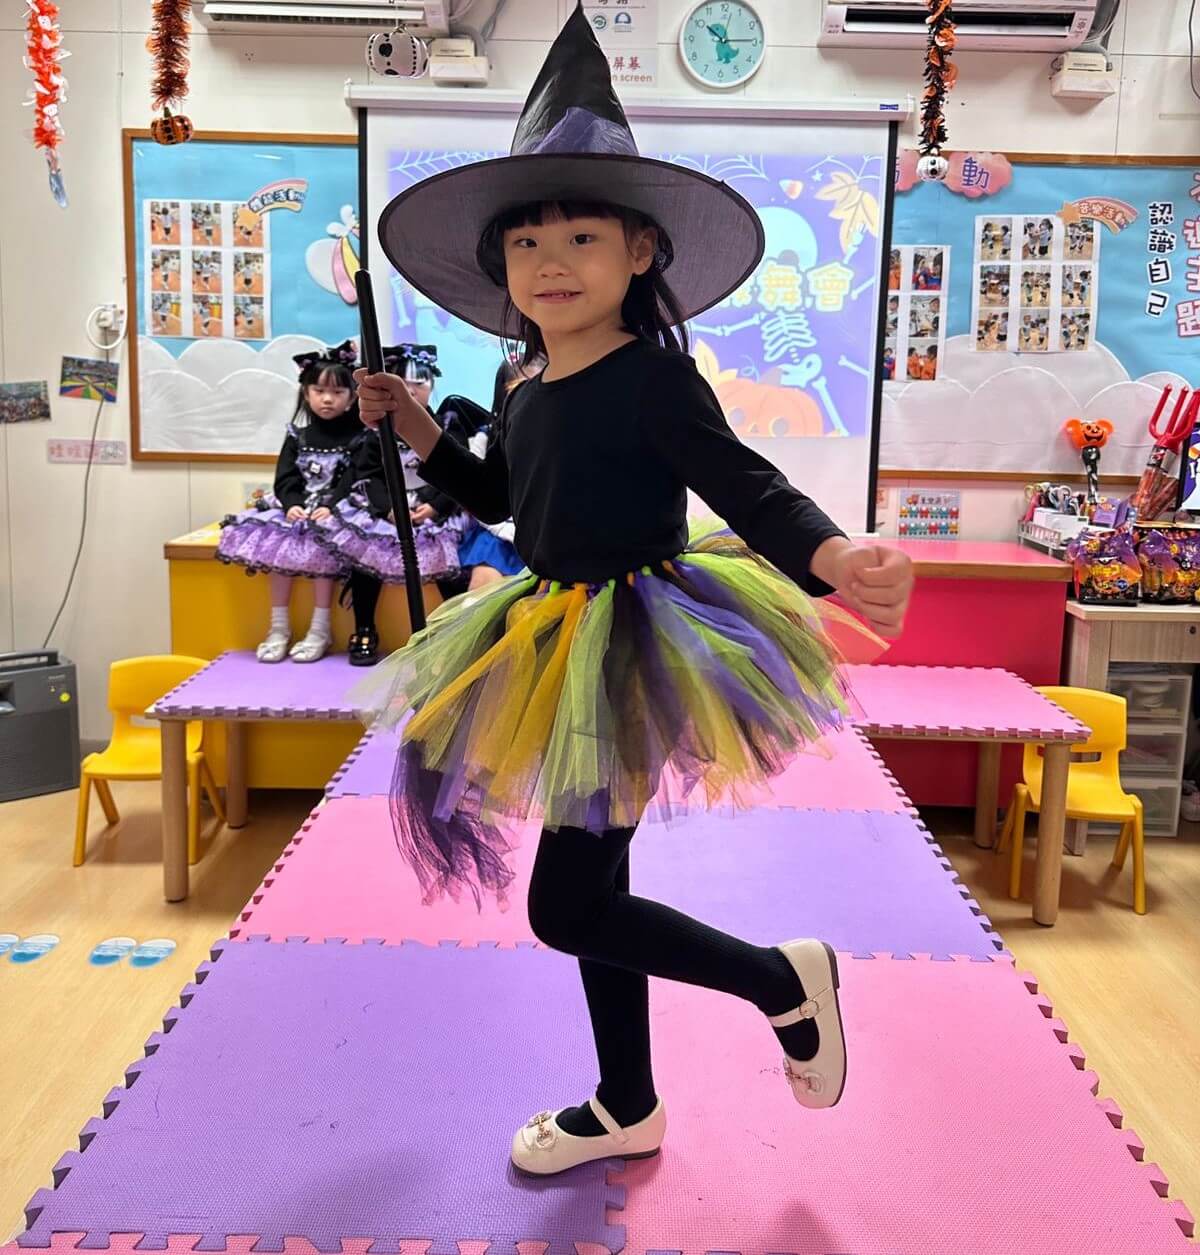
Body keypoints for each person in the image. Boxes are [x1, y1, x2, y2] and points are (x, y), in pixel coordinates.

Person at [356, 4, 914, 1179]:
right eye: (525, 244)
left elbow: (750, 487)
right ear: (501, 269)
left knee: (565, 906)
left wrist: (833, 560)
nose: (550, 263)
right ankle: (626, 1102)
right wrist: (414, 427)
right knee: (600, 887)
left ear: (642, 252)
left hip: (637, 644)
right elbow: (503, 494)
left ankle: (782, 980)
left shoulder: (655, 378)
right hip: (549, 632)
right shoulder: (523, 379)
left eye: (580, 238)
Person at [317, 344, 466, 666]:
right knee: (365, 558)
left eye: (419, 384)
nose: (411, 391)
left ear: (432, 385)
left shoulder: (448, 425)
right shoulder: (376, 430)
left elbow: (459, 472)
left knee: (452, 568)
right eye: (404, 384)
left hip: (434, 511)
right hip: (389, 511)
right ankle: (364, 628)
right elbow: (368, 475)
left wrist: (434, 506)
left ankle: (460, 634)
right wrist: (390, 509)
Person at [216, 341, 361, 662]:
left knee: (324, 552)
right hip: (296, 509)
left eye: (337, 392)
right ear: (306, 394)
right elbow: (284, 477)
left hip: (334, 511)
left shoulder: (359, 437)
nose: (327, 399)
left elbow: (352, 478)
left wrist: (331, 507)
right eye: (319, 391)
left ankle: (320, 629)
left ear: (352, 398)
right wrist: (291, 503)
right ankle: (278, 627)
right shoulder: (298, 435)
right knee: (278, 553)